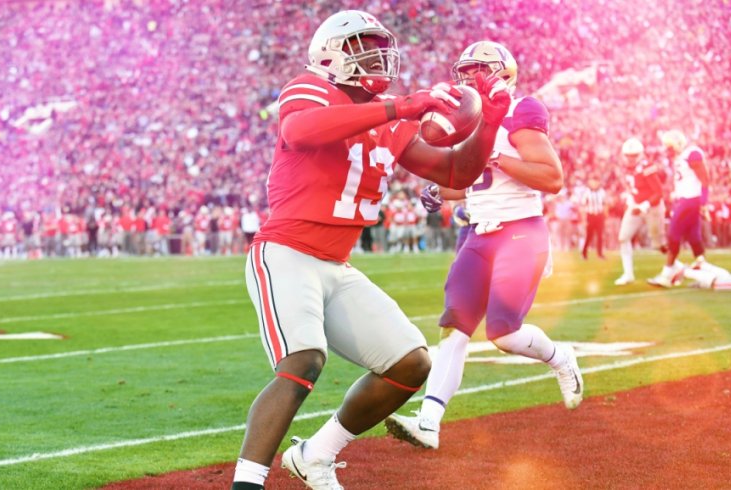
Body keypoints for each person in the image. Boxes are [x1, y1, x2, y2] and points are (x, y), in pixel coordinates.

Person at [230, 11, 511, 490]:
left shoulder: (388, 116)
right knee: (304, 360)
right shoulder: (310, 87)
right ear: (331, 53)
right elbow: (300, 131)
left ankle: (316, 455)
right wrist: (400, 108)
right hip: (286, 251)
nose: (376, 55)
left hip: (336, 264)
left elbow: (455, 174)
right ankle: (246, 485)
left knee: (410, 362)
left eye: (380, 45)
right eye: (362, 45)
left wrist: (488, 124)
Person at [383, 41, 583, 452]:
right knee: (454, 327)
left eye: (477, 71)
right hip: (477, 233)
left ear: (501, 72)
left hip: (520, 231)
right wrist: (440, 191)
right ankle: (429, 422)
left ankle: (560, 357)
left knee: (503, 334)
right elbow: (471, 184)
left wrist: (497, 158)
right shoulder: (468, 120)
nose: (468, 80)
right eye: (465, 72)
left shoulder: (522, 110)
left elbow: (551, 177)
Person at [647, 130, 719, 287]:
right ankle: (702, 264)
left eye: (669, 146)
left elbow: (705, 180)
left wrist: (704, 204)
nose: (667, 150)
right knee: (693, 234)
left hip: (691, 200)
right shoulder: (678, 158)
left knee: (673, 233)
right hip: (684, 200)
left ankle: (668, 274)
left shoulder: (692, 154)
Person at [614, 137, 667, 285]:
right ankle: (628, 274)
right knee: (623, 238)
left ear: (641, 154)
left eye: (634, 155)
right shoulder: (623, 168)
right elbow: (631, 188)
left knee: (658, 245)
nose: (631, 159)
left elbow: (659, 192)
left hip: (652, 207)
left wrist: (643, 206)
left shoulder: (646, 167)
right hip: (635, 206)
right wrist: (631, 201)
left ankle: (675, 267)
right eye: (629, 155)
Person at [579, 175, 607, 260]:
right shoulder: (587, 192)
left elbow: (605, 204)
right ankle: (584, 253)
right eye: (592, 182)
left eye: (595, 182)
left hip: (599, 216)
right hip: (590, 216)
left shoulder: (602, 191)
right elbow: (582, 206)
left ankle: (600, 254)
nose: (594, 184)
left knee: (600, 236)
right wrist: (584, 219)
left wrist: (604, 216)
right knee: (589, 236)